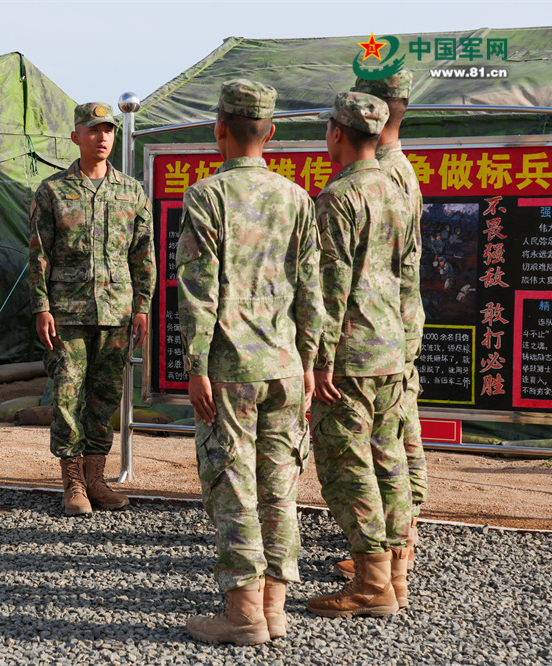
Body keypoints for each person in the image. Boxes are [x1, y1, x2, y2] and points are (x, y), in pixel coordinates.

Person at [177, 80, 324, 645]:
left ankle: (243, 615)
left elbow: (198, 290)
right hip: (286, 366)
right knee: (280, 487)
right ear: (271, 133)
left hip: (231, 368)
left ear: (220, 129)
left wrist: (196, 365)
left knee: (235, 487)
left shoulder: (207, 196)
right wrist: (308, 360)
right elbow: (312, 290)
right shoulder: (297, 198)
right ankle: (274, 609)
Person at [307, 92, 418, 618]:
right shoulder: (397, 189)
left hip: (349, 356)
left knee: (347, 466)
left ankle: (372, 583)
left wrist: (319, 359)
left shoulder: (339, 197)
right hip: (391, 349)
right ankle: (395, 575)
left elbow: (329, 289)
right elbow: (408, 276)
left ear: (337, 133)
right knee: (389, 459)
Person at [28, 102, 156, 516]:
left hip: (116, 312)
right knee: (67, 395)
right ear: (76, 136)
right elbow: (39, 255)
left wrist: (142, 306)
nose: (103, 137)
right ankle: (73, 483)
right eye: (94, 130)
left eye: (109, 130)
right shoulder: (52, 191)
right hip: (66, 313)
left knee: (104, 398)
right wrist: (41, 306)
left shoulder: (131, 191)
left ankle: (96, 477)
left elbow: (143, 254)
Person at [335, 72, 427, 591]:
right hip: (392, 329)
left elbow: (333, 285)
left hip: (364, 339)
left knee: (365, 453)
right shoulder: (396, 173)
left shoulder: (372, 179)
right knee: (391, 445)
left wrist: (316, 356)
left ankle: (388, 558)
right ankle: (395, 556)